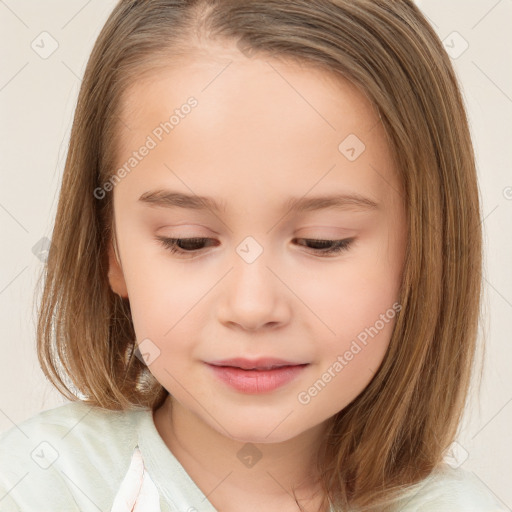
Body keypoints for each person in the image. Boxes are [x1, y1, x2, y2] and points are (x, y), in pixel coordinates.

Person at [0, 1, 506, 511]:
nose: (252, 306)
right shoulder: (33, 486)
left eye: (322, 241)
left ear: (425, 253)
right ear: (111, 250)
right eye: (188, 241)